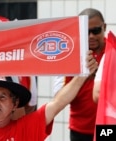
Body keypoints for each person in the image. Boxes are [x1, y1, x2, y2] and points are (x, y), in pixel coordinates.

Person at [53, 8, 106, 141]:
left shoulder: (114, 50)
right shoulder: (68, 54)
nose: (91, 36)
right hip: (80, 129)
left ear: (104, 27)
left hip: (108, 125)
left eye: (96, 30)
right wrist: (81, 77)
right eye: (86, 32)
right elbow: (59, 99)